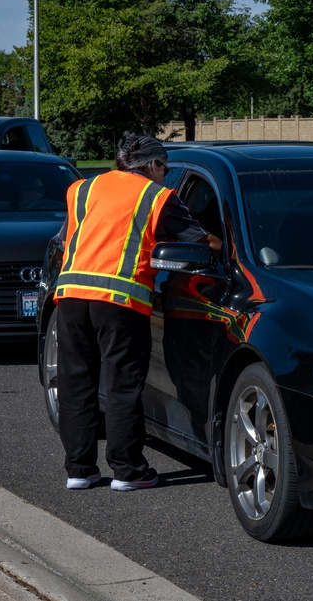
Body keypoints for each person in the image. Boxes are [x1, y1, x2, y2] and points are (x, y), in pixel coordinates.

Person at [54, 131, 222, 492]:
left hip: (70, 296)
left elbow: (73, 237)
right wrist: (226, 247)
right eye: (165, 167)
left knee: (76, 382)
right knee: (123, 384)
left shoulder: (81, 189)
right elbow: (201, 242)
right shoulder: (157, 196)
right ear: (153, 165)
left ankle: (79, 470)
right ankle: (128, 470)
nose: (166, 174)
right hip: (119, 300)